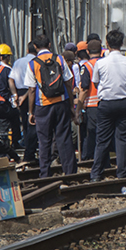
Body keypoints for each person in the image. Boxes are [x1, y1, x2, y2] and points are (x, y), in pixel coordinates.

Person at [25, 35, 78, 177]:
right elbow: (68, 81)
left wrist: (31, 112)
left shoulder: (32, 64)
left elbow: (31, 89)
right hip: (61, 102)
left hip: (43, 105)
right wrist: (71, 106)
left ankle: (45, 174)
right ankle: (70, 172)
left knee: (44, 141)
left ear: (35, 47)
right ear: (49, 44)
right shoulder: (60, 59)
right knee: (64, 138)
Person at [91, 29, 126, 179]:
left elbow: (95, 82)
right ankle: (122, 174)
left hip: (106, 103)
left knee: (102, 139)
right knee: (123, 139)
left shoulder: (100, 63)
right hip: (125, 102)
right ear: (122, 44)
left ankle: (96, 174)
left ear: (107, 44)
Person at [76, 40, 103, 160]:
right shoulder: (105, 63)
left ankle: (90, 156)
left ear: (87, 51)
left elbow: (85, 89)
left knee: (92, 133)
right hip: (105, 101)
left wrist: (78, 109)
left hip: (92, 105)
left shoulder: (86, 67)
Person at [11, 43, 37, 163]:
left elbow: (11, 79)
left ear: (27, 50)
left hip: (20, 92)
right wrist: (25, 96)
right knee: (34, 121)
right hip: (32, 92)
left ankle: (27, 143)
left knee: (25, 121)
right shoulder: (36, 61)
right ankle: (33, 146)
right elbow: (34, 84)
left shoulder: (18, 62)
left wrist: (15, 95)